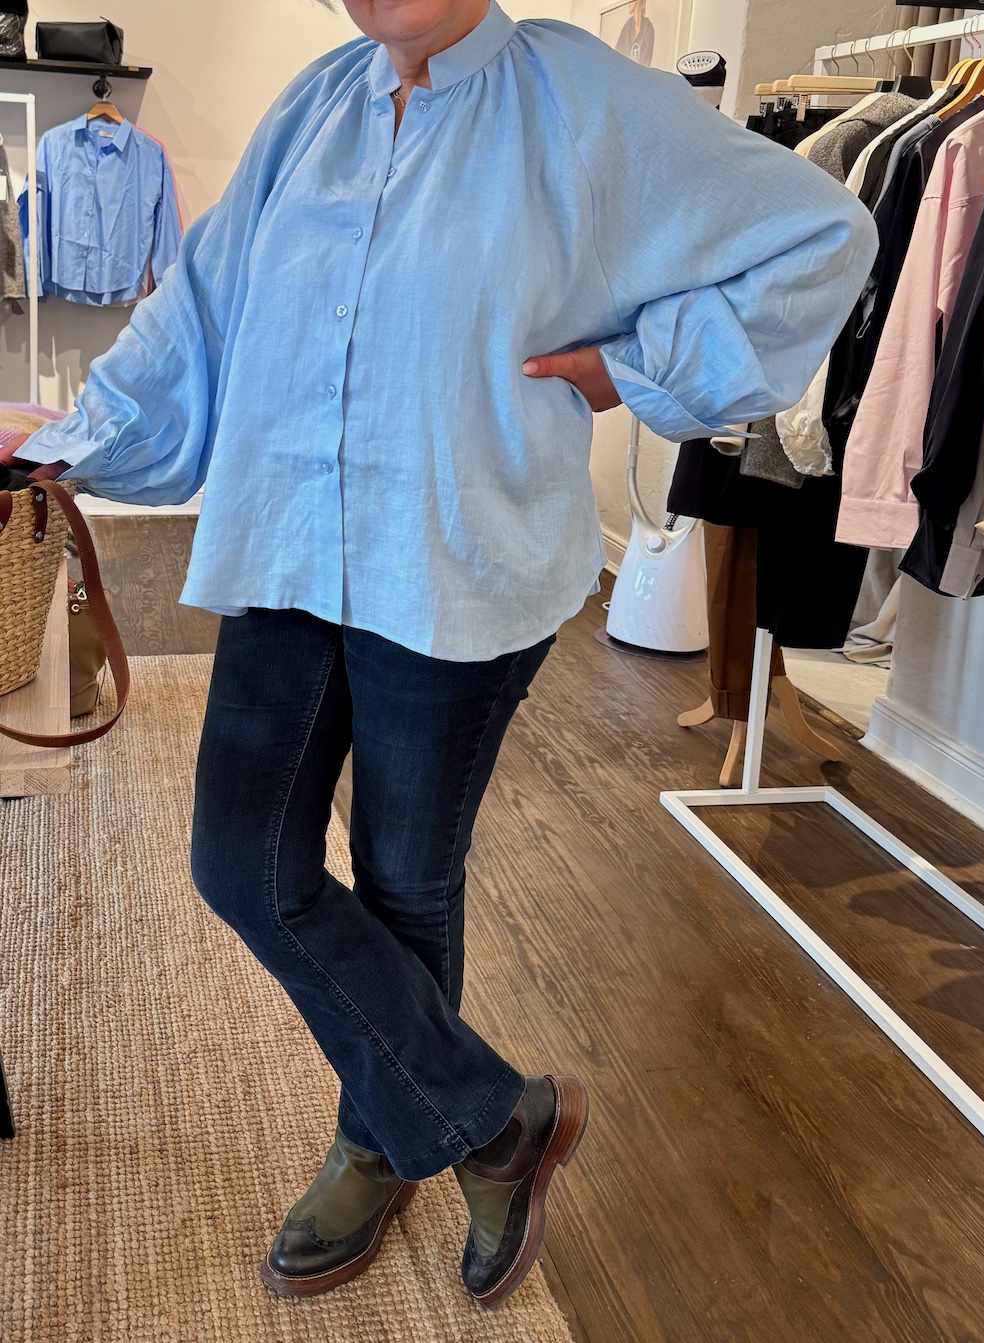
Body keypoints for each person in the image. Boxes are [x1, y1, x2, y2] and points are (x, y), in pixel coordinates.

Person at [5, 0, 878, 1310]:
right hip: (287, 541)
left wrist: (635, 365)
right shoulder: (314, 109)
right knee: (243, 861)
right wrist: (67, 436)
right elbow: (201, 310)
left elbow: (823, 234)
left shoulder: (580, 101)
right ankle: (489, 1119)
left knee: (405, 879)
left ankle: (375, 1145)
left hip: (459, 562)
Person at [615, 0, 655, 67]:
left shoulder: (648, 27)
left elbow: (647, 59)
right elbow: (618, 51)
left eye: (631, 1)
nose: (629, 4)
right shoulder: (628, 25)